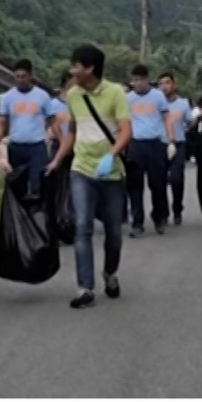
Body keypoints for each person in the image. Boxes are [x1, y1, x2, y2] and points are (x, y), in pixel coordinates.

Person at [50, 44, 132, 307]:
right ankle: (85, 287)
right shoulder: (73, 96)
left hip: (111, 173)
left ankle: (110, 273)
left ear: (90, 69)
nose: (71, 70)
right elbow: (72, 131)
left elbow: (125, 131)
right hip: (82, 170)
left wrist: (112, 155)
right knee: (82, 227)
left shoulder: (115, 93)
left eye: (76, 66)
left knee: (113, 233)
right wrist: (58, 159)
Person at [122, 64, 172, 237]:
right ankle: (137, 223)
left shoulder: (158, 96)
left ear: (146, 79)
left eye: (140, 80)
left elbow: (166, 118)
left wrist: (170, 140)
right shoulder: (128, 99)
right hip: (136, 145)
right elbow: (124, 123)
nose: (137, 83)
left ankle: (159, 218)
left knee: (157, 184)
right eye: (134, 80)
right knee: (135, 186)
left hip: (155, 145)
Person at [0, 59, 54, 202]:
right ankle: (20, 220)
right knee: (17, 187)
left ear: (30, 76)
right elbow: (2, 122)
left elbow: (52, 120)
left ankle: (40, 217)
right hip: (16, 146)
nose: (20, 80)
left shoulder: (42, 96)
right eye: (17, 77)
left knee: (38, 186)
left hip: (36, 147)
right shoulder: (8, 97)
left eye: (24, 76)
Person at [158, 73, 192, 227]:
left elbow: (190, 122)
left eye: (167, 83)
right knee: (159, 181)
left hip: (178, 144)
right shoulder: (155, 103)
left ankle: (177, 208)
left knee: (176, 179)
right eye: (161, 84)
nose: (164, 86)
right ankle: (163, 212)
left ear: (174, 84)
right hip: (159, 145)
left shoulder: (183, 104)